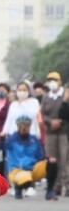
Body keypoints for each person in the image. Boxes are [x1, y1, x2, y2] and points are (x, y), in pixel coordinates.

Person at [5, 116, 47, 200]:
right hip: (17, 169)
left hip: (32, 169)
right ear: (18, 126)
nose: (24, 128)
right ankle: (19, 188)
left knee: (51, 164)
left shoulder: (34, 139)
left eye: (26, 125)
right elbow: (3, 148)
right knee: (24, 176)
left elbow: (41, 156)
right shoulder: (11, 140)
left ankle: (50, 191)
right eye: (22, 125)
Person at [40, 72, 67, 200]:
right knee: (52, 160)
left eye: (54, 80)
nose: (52, 82)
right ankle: (54, 187)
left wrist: (60, 121)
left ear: (60, 81)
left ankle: (65, 185)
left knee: (64, 159)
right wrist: (51, 122)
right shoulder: (46, 97)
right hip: (50, 132)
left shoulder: (65, 94)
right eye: (49, 80)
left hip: (64, 132)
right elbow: (42, 114)